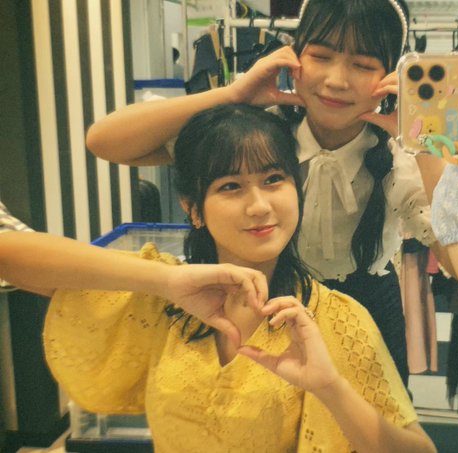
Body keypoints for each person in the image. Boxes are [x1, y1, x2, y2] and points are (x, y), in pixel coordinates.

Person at [0, 105, 436, 453]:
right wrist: (163, 281)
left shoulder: (337, 320)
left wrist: (330, 388)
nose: (260, 205)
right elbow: (10, 255)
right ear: (192, 208)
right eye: (231, 186)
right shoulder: (162, 300)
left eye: (274, 179)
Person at [85, 0, 432, 385]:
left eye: (363, 65)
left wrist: (425, 135)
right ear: (294, 55)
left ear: (393, 73)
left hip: (367, 316)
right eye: (321, 56)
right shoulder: (257, 137)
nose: (337, 80)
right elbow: (105, 141)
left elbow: (455, 241)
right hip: (263, 306)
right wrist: (232, 95)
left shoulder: (401, 156)